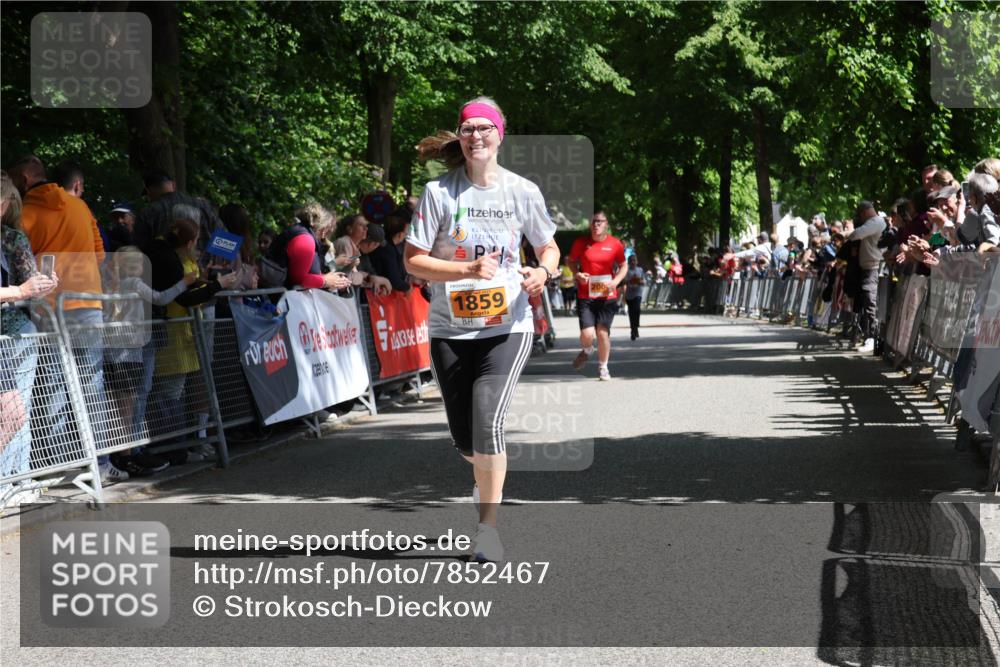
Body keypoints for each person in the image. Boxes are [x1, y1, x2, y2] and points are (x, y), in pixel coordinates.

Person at [404, 96, 559, 562]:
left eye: (484, 128)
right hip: (450, 327)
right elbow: (413, 261)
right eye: (468, 128)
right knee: (464, 438)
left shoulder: (522, 191)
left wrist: (543, 273)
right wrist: (465, 272)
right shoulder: (439, 193)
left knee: (489, 421)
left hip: (507, 325)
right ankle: (483, 477)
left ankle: (487, 528)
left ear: (499, 135)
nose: (476, 136)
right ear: (461, 137)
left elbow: (548, 248)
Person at [7, 155, 125, 482]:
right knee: (92, 385)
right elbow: (100, 255)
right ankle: (99, 463)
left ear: (27, 179)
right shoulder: (81, 208)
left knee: (53, 385)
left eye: (16, 180)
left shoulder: (24, 215)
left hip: (47, 309)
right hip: (88, 305)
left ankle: (61, 463)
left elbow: (19, 263)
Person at [1, 170, 58, 500]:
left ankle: (14, 482)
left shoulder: (11, 238)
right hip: (14, 333)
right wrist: (26, 289)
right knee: (14, 411)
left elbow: (29, 288)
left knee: (14, 412)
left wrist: (36, 287)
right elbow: (26, 288)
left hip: (13, 333)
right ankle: (14, 482)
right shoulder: (12, 238)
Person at [568, 211, 627, 380]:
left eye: (600, 222)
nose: (596, 225)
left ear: (606, 224)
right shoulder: (581, 242)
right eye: (594, 222)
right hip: (585, 295)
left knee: (602, 332)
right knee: (587, 334)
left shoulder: (615, 244)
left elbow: (623, 266)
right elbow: (571, 261)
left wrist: (616, 282)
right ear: (590, 225)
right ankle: (587, 349)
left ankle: (603, 367)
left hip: (607, 295)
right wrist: (577, 273)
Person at [133, 168, 222, 258]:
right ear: (173, 184)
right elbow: (227, 243)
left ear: (148, 191)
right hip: (202, 269)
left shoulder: (148, 213)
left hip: (164, 270)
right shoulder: (204, 206)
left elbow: (138, 249)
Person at [267, 204, 350, 291]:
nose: (331, 230)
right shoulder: (306, 240)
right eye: (330, 226)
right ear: (324, 226)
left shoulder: (301, 231)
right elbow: (299, 279)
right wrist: (325, 280)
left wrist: (331, 279)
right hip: (280, 297)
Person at [847, 200, 887, 353]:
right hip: (869, 268)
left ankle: (873, 337)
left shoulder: (874, 222)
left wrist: (849, 232)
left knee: (871, 302)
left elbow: (856, 234)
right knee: (868, 302)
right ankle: (870, 336)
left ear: (863, 213)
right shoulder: (874, 223)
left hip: (873, 268)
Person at [369, 210, 412, 293]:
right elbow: (395, 280)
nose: (407, 235)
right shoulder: (387, 249)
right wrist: (407, 287)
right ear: (400, 234)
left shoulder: (389, 247)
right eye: (406, 232)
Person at [623, 254, 645, 340]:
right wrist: (630, 280)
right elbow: (623, 281)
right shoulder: (627, 271)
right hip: (629, 295)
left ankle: (636, 326)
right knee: (631, 313)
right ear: (628, 262)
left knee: (637, 310)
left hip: (638, 293)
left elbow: (644, 281)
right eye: (631, 260)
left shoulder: (640, 270)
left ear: (637, 261)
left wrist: (639, 281)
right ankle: (633, 329)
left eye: (634, 260)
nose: (633, 262)